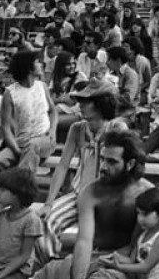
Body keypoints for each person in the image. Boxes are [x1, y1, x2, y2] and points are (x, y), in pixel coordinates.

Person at [22, 129, 154, 279]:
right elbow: (84, 241)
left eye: (112, 162)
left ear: (130, 164)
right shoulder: (90, 192)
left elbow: (143, 244)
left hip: (122, 265)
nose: (104, 167)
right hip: (90, 257)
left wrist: (120, 262)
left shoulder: (147, 193)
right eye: (103, 159)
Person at [40, 83, 124, 261]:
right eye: (80, 101)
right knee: (45, 220)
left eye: (86, 101)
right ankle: (50, 268)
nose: (80, 105)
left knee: (101, 233)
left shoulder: (117, 129)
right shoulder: (77, 128)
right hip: (81, 193)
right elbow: (63, 166)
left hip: (109, 195)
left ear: (100, 104)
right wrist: (48, 203)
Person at [102, 187, 159, 279]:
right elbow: (132, 261)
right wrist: (115, 257)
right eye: (138, 213)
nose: (140, 218)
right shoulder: (142, 236)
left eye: (145, 214)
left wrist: (119, 266)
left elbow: (145, 267)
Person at [0, 50, 56, 171]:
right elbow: (5, 128)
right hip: (20, 143)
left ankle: (20, 187)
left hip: (44, 139)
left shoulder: (42, 86)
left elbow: (53, 111)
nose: (41, 64)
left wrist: (52, 130)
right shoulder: (10, 92)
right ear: (29, 68)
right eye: (37, 62)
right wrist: (16, 150)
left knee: (31, 148)